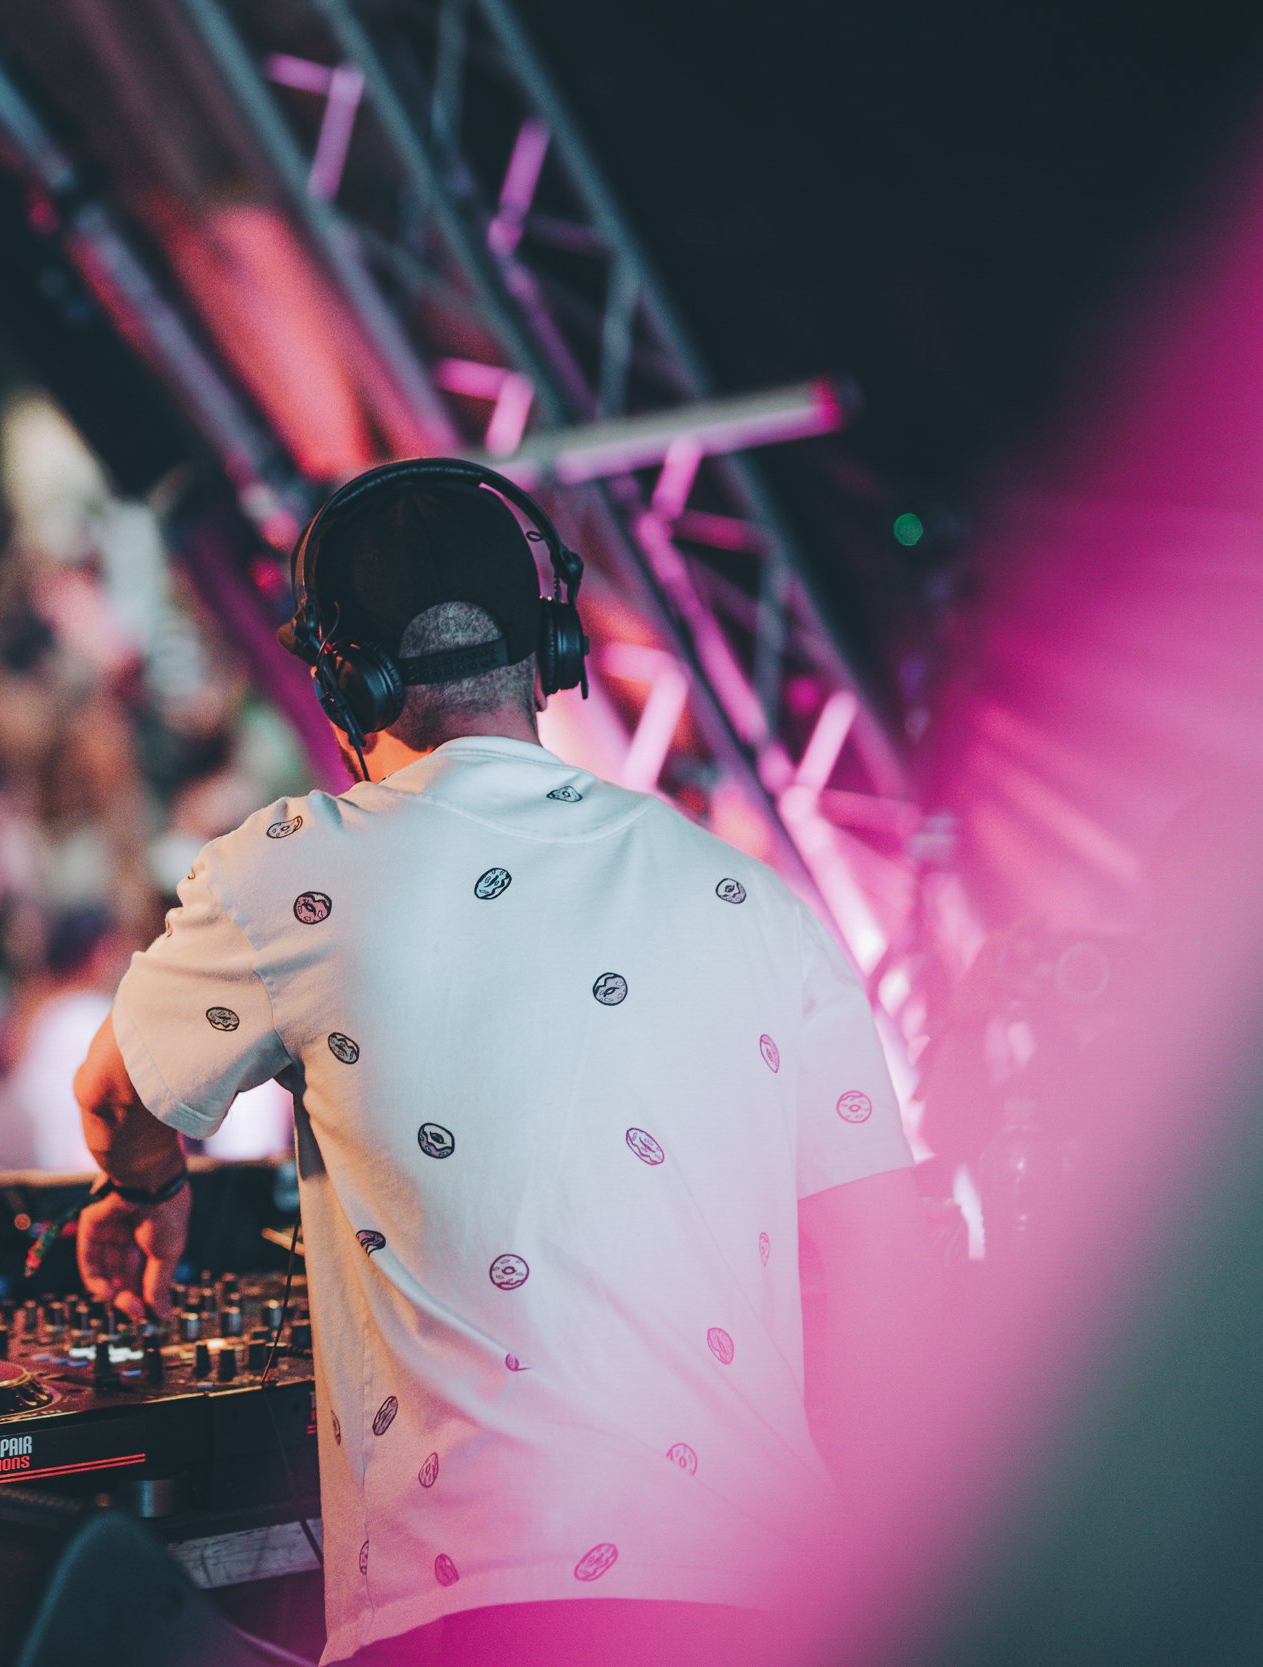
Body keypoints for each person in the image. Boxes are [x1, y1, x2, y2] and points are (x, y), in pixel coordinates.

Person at [70, 461, 939, 1666]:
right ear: (550, 647)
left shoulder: (294, 872)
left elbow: (116, 1095)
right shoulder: (754, 898)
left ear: (342, 675)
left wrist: (147, 1191)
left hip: (477, 1611)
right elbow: (889, 1285)